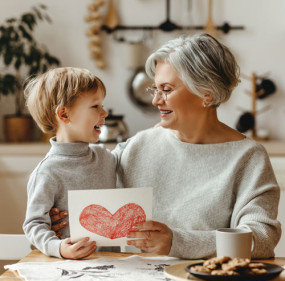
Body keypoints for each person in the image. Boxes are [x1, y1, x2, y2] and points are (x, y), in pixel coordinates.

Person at [51, 34, 281, 259]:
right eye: (155, 89)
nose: (155, 100)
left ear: (206, 94)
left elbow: (262, 239)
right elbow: (91, 192)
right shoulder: (138, 146)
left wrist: (177, 242)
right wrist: (61, 218)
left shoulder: (248, 158)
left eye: (167, 90)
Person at [23, 67, 117, 259]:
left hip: (114, 265)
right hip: (69, 270)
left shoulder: (106, 157)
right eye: (95, 106)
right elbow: (34, 225)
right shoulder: (47, 172)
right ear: (64, 115)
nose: (105, 112)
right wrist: (58, 248)